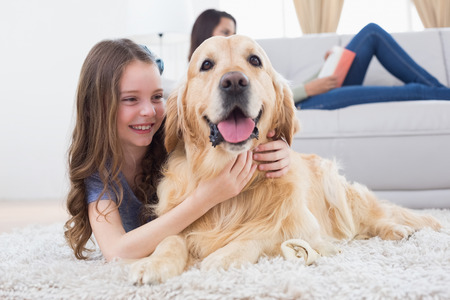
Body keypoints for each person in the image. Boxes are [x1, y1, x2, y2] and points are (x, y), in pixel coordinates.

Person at [64, 38, 291, 261]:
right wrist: (205, 198)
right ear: (98, 108)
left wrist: (282, 150)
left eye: (156, 97)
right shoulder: (98, 172)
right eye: (131, 99)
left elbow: (239, 132)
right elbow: (115, 250)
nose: (149, 112)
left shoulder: (171, 133)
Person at [293, 23, 450, 110]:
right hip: (302, 105)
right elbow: (272, 100)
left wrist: (327, 67)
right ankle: (443, 94)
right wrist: (307, 90)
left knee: (371, 33)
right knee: (415, 90)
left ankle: (442, 93)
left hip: (311, 91)